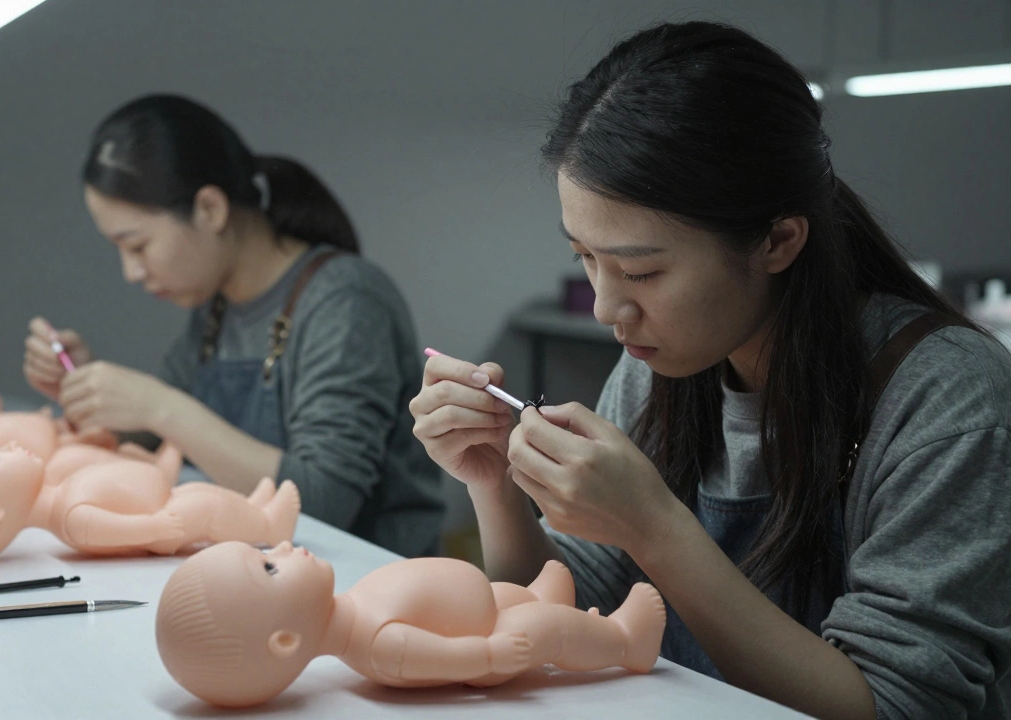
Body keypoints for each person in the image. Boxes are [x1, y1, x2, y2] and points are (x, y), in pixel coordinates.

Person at [409, 21, 1011, 720]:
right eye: (585, 257)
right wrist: (496, 487)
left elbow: (893, 705)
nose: (608, 307)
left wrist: (655, 526)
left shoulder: (949, 404)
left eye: (641, 269)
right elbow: (566, 619)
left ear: (779, 241)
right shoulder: (661, 368)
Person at [23, 94, 442, 557]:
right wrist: (89, 390)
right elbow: (155, 436)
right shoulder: (217, 307)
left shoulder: (343, 300)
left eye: (137, 246)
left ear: (209, 210)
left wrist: (160, 407)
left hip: (364, 583)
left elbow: (322, 502)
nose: (131, 272)